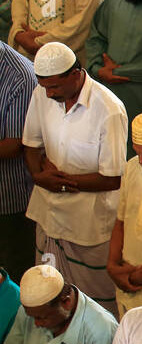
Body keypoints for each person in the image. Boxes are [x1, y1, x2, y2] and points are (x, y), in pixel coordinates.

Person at [22, 41, 127, 311]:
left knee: (93, 304)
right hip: (49, 217)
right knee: (50, 297)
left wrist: (64, 184)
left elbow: (113, 178)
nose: (49, 93)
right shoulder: (41, 94)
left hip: (88, 227)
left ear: (76, 74)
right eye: (45, 87)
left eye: (55, 87)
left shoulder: (108, 109)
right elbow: (31, 144)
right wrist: (37, 174)